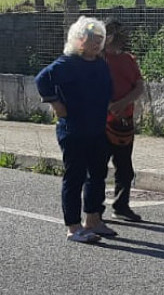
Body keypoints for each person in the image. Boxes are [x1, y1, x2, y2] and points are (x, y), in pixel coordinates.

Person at [35, 17, 115, 243]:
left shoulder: (99, 62)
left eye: (100, 40)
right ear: (79, 40)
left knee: (98, 175)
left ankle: (93, 219)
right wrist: (56, 104)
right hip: (74, 130)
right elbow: (42, 79)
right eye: (93, 40)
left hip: (97, 128)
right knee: (75, 177)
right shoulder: (67, 62)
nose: (97, 44)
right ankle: (73, 226)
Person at [101, 18, 145, 223]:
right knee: (98, 168)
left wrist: (122, 104)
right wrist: (110, 105)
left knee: (125, 168)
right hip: (102, 123)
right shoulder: (97, 60)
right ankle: (94, 210)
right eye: (111, 32)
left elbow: (139, 86)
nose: (116, 36)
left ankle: (121, 206)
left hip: (124, 122)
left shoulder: (129, 59)